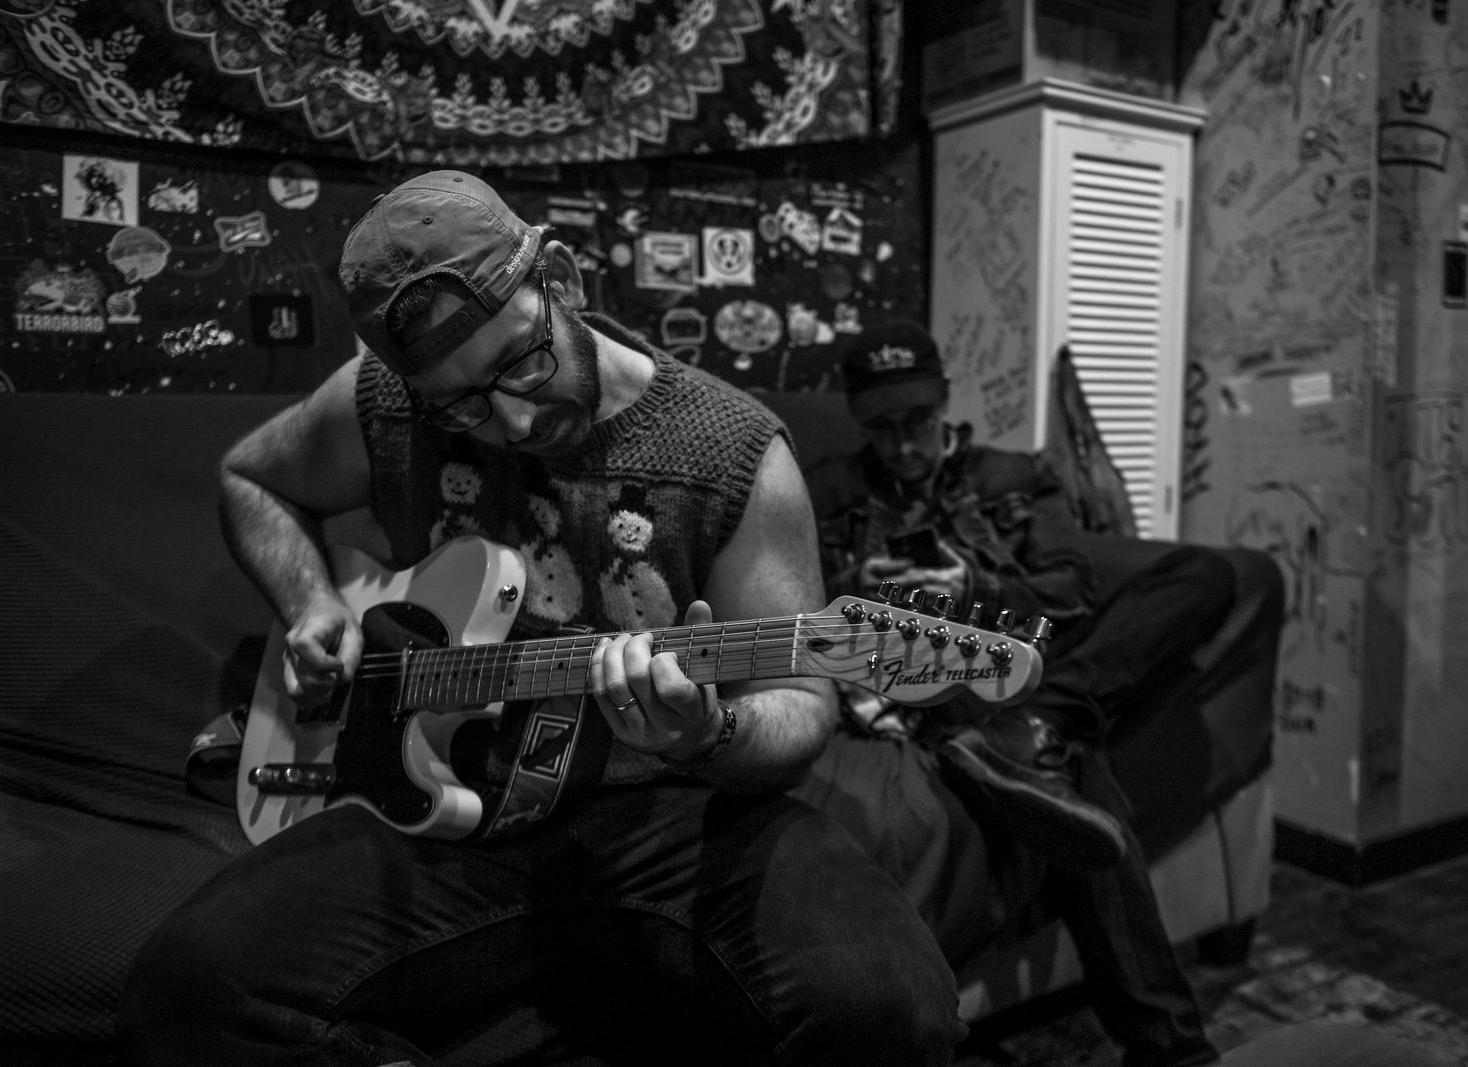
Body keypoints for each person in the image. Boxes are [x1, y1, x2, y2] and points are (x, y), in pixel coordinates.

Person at [118, 171, 963, 1065]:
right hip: (443, 804)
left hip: (674, 813)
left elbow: (801, 699)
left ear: (561, 279)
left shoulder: (734, 452)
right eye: (462, 405)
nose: (514, 420)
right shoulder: (382, 402)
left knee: (888, 1008)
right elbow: (250, 480)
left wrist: (707, 732)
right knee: (187, 990)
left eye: (522, 360)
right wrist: (312, 601)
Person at [798, 320, 1240, 1067]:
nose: (902, 446)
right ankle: (1171, 1047)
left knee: (1206, 574)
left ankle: (1044, 720)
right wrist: (862, 594)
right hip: (932, 681)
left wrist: (975, 586)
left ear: (945, 402)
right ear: (858, 422)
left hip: (1029, 658)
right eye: (881, 429)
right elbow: (798, 613)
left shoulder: (1012, 476)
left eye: (916, 422)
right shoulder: (828, 490)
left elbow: (1072, 591)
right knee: (1079, 777)